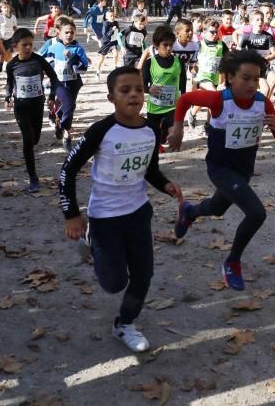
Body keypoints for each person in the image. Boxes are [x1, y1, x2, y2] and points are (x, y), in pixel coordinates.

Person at [59, 65, 183, 352]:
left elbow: (150, 169)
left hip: (139, 213)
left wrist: (165, 185)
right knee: (114, 283)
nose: (134, 95)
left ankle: (125, 324)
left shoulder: (152, 129)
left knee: (144, 274)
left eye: (139, 89)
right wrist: (71, 214)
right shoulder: (102, 130)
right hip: (104, 218)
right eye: (125, 90)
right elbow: (68, 170)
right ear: (111, 97)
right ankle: (90, 239)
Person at [170, 50, 275, 290]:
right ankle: (232, 261)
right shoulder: (218, 100)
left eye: (256, 79)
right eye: (246, 78)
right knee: (256, 213)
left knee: (216, 207)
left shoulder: (262, 102)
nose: (252, 84)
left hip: (244, 170)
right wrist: (178, 128)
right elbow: (184, 100)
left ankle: (189, 211)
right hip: (220, 168)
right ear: (230, 77)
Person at [5, 28, 60, 193]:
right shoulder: (12, 65)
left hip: (37, 105)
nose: (29, 48)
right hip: (21, 107)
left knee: (35, 138)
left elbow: (54, 78)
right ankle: (33, 177)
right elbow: (9, 83)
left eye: (31, 44)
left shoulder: (38, 60)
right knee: (28, 140)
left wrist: (51, 96)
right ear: (16, 47)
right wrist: (7, 97)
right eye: (24, 45)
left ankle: (34, 145)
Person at [39, 17, 89, 151]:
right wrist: (45, 72)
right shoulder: (53, 46)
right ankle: (66, 133)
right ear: (59, 33)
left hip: (74, 83)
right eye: (66, 32)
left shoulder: (78, 49)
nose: (69, 35)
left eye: (72, 32)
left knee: (67, 108)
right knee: (69, 104)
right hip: (59, 83)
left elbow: (84, 68)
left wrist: (72, 59)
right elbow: (40, 58)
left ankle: (59, 125)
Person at [142, 26, 187, 148]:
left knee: (175, 137)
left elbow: (183, 82)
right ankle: (161, 135)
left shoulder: (179, 62)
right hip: (155, 108)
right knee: (156, 140)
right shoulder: (149, 63)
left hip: (172, 107)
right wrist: (149, 89)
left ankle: (169, 132)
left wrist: (184, 99)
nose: (168, 48)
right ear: (156, 45)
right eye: (165, 45)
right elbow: (142, 85)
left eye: (171, 45)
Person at [95, 8, 122, 76]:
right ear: (107, 17)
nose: (112, 17)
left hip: (113, 42)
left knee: (115, 54)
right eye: (111, 16)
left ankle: (115, 66)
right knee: (102, 58)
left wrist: (118, 33)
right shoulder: (105, 24)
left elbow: (118, 31)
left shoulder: (116, 23)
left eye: (113, 15)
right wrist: (112, 30)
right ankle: (98, 70)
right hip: (106, 42)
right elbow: (105, 34)